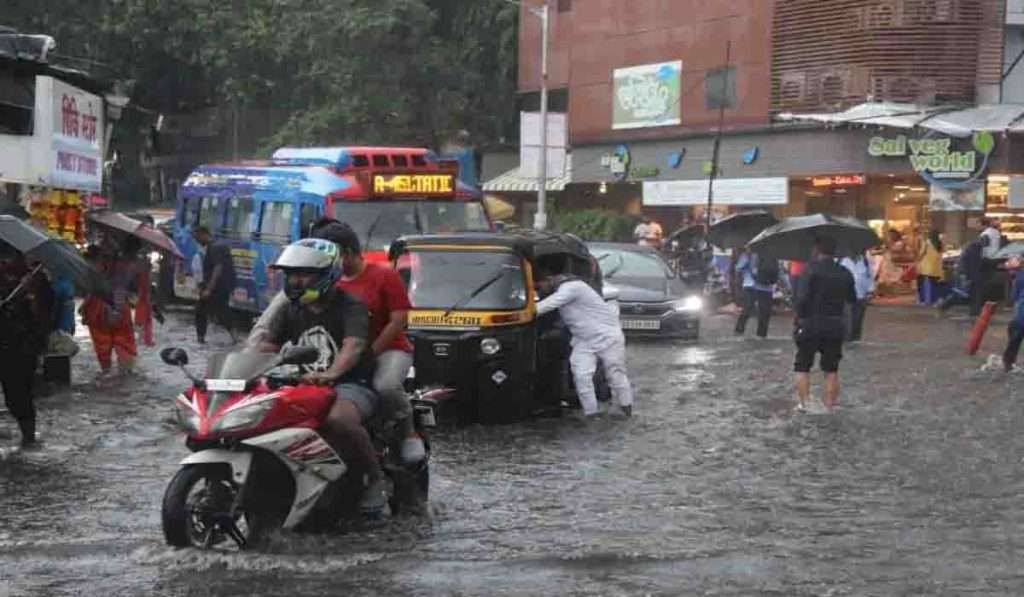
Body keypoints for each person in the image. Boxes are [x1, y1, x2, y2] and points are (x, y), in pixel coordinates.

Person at [250, 219, 426, 463]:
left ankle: (408, 432)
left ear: (348, 252)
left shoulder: (383, 275)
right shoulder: (320, 285)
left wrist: (368, 355)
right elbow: (269, 332)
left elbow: (398, 321)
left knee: (385, 386)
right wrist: (249, 364)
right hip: (336, 354)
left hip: (387, 347)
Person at [255, 238, 387, 514]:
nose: (295, 282)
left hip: (351, 384)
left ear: (325, 275)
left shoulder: (351, 306)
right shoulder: (291, 308)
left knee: (339, 419)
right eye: (291, 275)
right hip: (302, 385)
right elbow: (267, 346)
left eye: (303, 274)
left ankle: (376, 480)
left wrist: (332, 373)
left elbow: (353, 346)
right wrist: (246, 367)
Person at [534, 268, 634, 418]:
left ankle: (626, 409)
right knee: (581, 375)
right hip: (584, 340)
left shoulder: (573, 287)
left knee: (615, 373)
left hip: (607, 336)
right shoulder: (565, 288)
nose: (539, 290)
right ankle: (591, 414)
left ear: (548, 279)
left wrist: (520, 310)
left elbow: (547, 305)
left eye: (538, 286)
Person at [793, 236, 857, 412]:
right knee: (831, 369)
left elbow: (802, 299)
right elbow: (852, 299)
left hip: (810, 324)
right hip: (835, 325)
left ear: (816, 250)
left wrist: (798, 316)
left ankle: (805, 404)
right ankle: (829, 406)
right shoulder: (844, 272)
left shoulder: (809, 270)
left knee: (802, 365)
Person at [0, 245, 53, 447]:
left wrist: (31, 294)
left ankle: (28, 438)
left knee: (19, 396)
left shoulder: (38, 280)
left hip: (22, 348)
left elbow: (45, 317)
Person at [81, 238, 139, 380]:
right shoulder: (128, 266)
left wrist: (84, 306)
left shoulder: (94, 268)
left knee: (102, 343)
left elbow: (93, 289)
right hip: (120, 306)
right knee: (124, 342)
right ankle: (125, 373)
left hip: (99, 308)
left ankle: (107, 371)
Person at [193, 226, 237, 344]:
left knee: (203, 311)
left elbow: (218, 268)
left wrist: (208, 289)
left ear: (204, 234)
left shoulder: (215, 248)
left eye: (197, 238)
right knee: (221, 311)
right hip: (223, 286)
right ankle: (233, 337)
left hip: (217, 287)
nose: (197, 241)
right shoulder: (218, 245)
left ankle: (201, 338)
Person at [734, 249, 778, 338]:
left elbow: (738, 268)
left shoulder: (748, 255)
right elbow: (779, 272)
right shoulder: (773, 254)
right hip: (759, 287)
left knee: (757, 312)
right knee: (759, 312)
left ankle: (743, 332)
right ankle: (757, 335)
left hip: (756, 286)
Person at [840, 251, 874, 342]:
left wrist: (870, 291)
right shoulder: (841, 260)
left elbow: (870, 275)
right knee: (847, 319)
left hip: (861, 295)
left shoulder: (866, 259)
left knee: (858, 320)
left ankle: (855, 339)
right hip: (845, 295)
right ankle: (847, 339)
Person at [1003, 257, 1024, 372]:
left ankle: (1008, 362)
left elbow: (1013, 297)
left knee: (1014, 335)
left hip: (1021, 317)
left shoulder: (1019, 278)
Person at [915, 229, 944, 305]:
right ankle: (935, 300)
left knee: (924, 284)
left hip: (926, 267)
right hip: (936, 268)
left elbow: (921, 254)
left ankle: (924, 300)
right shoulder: (940, 244)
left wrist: (917, 261)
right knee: (935, 284)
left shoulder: (927, 243)